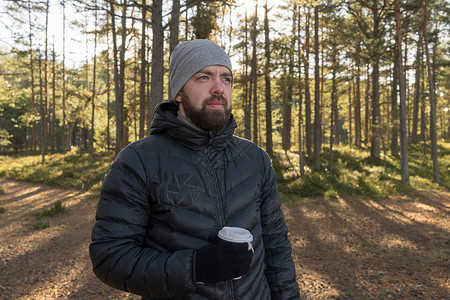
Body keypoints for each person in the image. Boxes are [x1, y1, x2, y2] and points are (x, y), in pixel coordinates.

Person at [89, 39, 300, 300]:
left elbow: (276, 249)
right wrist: (195, 268)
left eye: (226, 79)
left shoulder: (255, 159)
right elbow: (110, 257)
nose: (218, 88)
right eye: (204, 77)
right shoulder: (139, 161)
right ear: (179, 92)